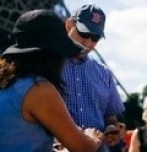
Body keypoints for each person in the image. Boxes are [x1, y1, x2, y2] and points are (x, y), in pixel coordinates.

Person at [0, 9, 101, 151]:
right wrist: (92, 136)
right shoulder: (39, 88)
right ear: (55, 56)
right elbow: (84, 148)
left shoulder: (8, 81)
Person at [61, 4, 125, 152]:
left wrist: (111, 129)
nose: (88, 43)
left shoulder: (104, 73)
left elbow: (110, 117)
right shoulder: (47, 65)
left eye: (95, 37)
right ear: (69, 25)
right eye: (84, 34)